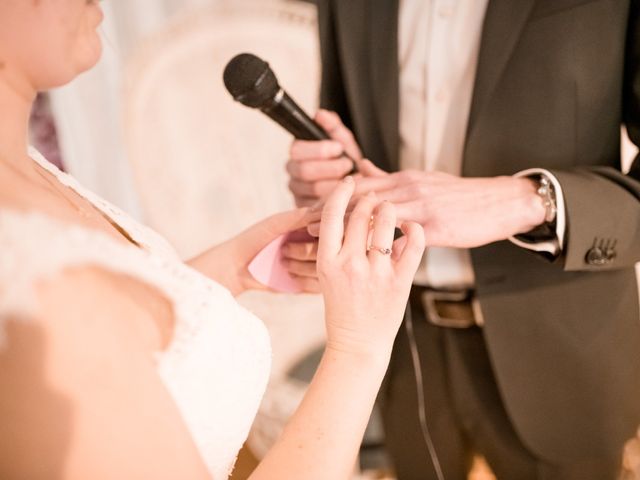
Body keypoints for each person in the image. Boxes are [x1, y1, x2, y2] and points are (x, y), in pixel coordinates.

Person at [0, 1, 427, 479]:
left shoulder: (24, 168)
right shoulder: (27, 268)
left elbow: (126, 345)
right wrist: (359, 346)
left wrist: (228, 271)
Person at [286, 1, 640, 479]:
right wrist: (328, 177)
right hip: (400, 346)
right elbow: (348, 139)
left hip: (561, 349)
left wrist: (527, 200)